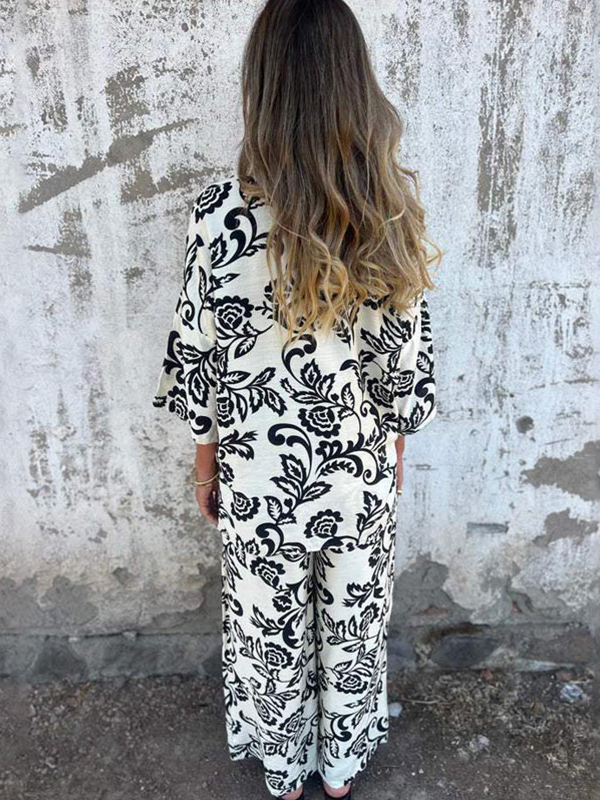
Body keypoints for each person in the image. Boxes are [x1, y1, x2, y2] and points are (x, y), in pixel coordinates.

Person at [153, 1, 442, 797]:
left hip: (257, 474)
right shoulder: (386, 211)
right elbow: (403, 366)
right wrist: (394, 448)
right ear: (355, 86)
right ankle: (340, 771)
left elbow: (199, 356)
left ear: (264, 87)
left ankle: (284, 774)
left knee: (269, 629)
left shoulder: (218, 215)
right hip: (356, 468)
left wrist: (206, 460)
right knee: (352, 622)